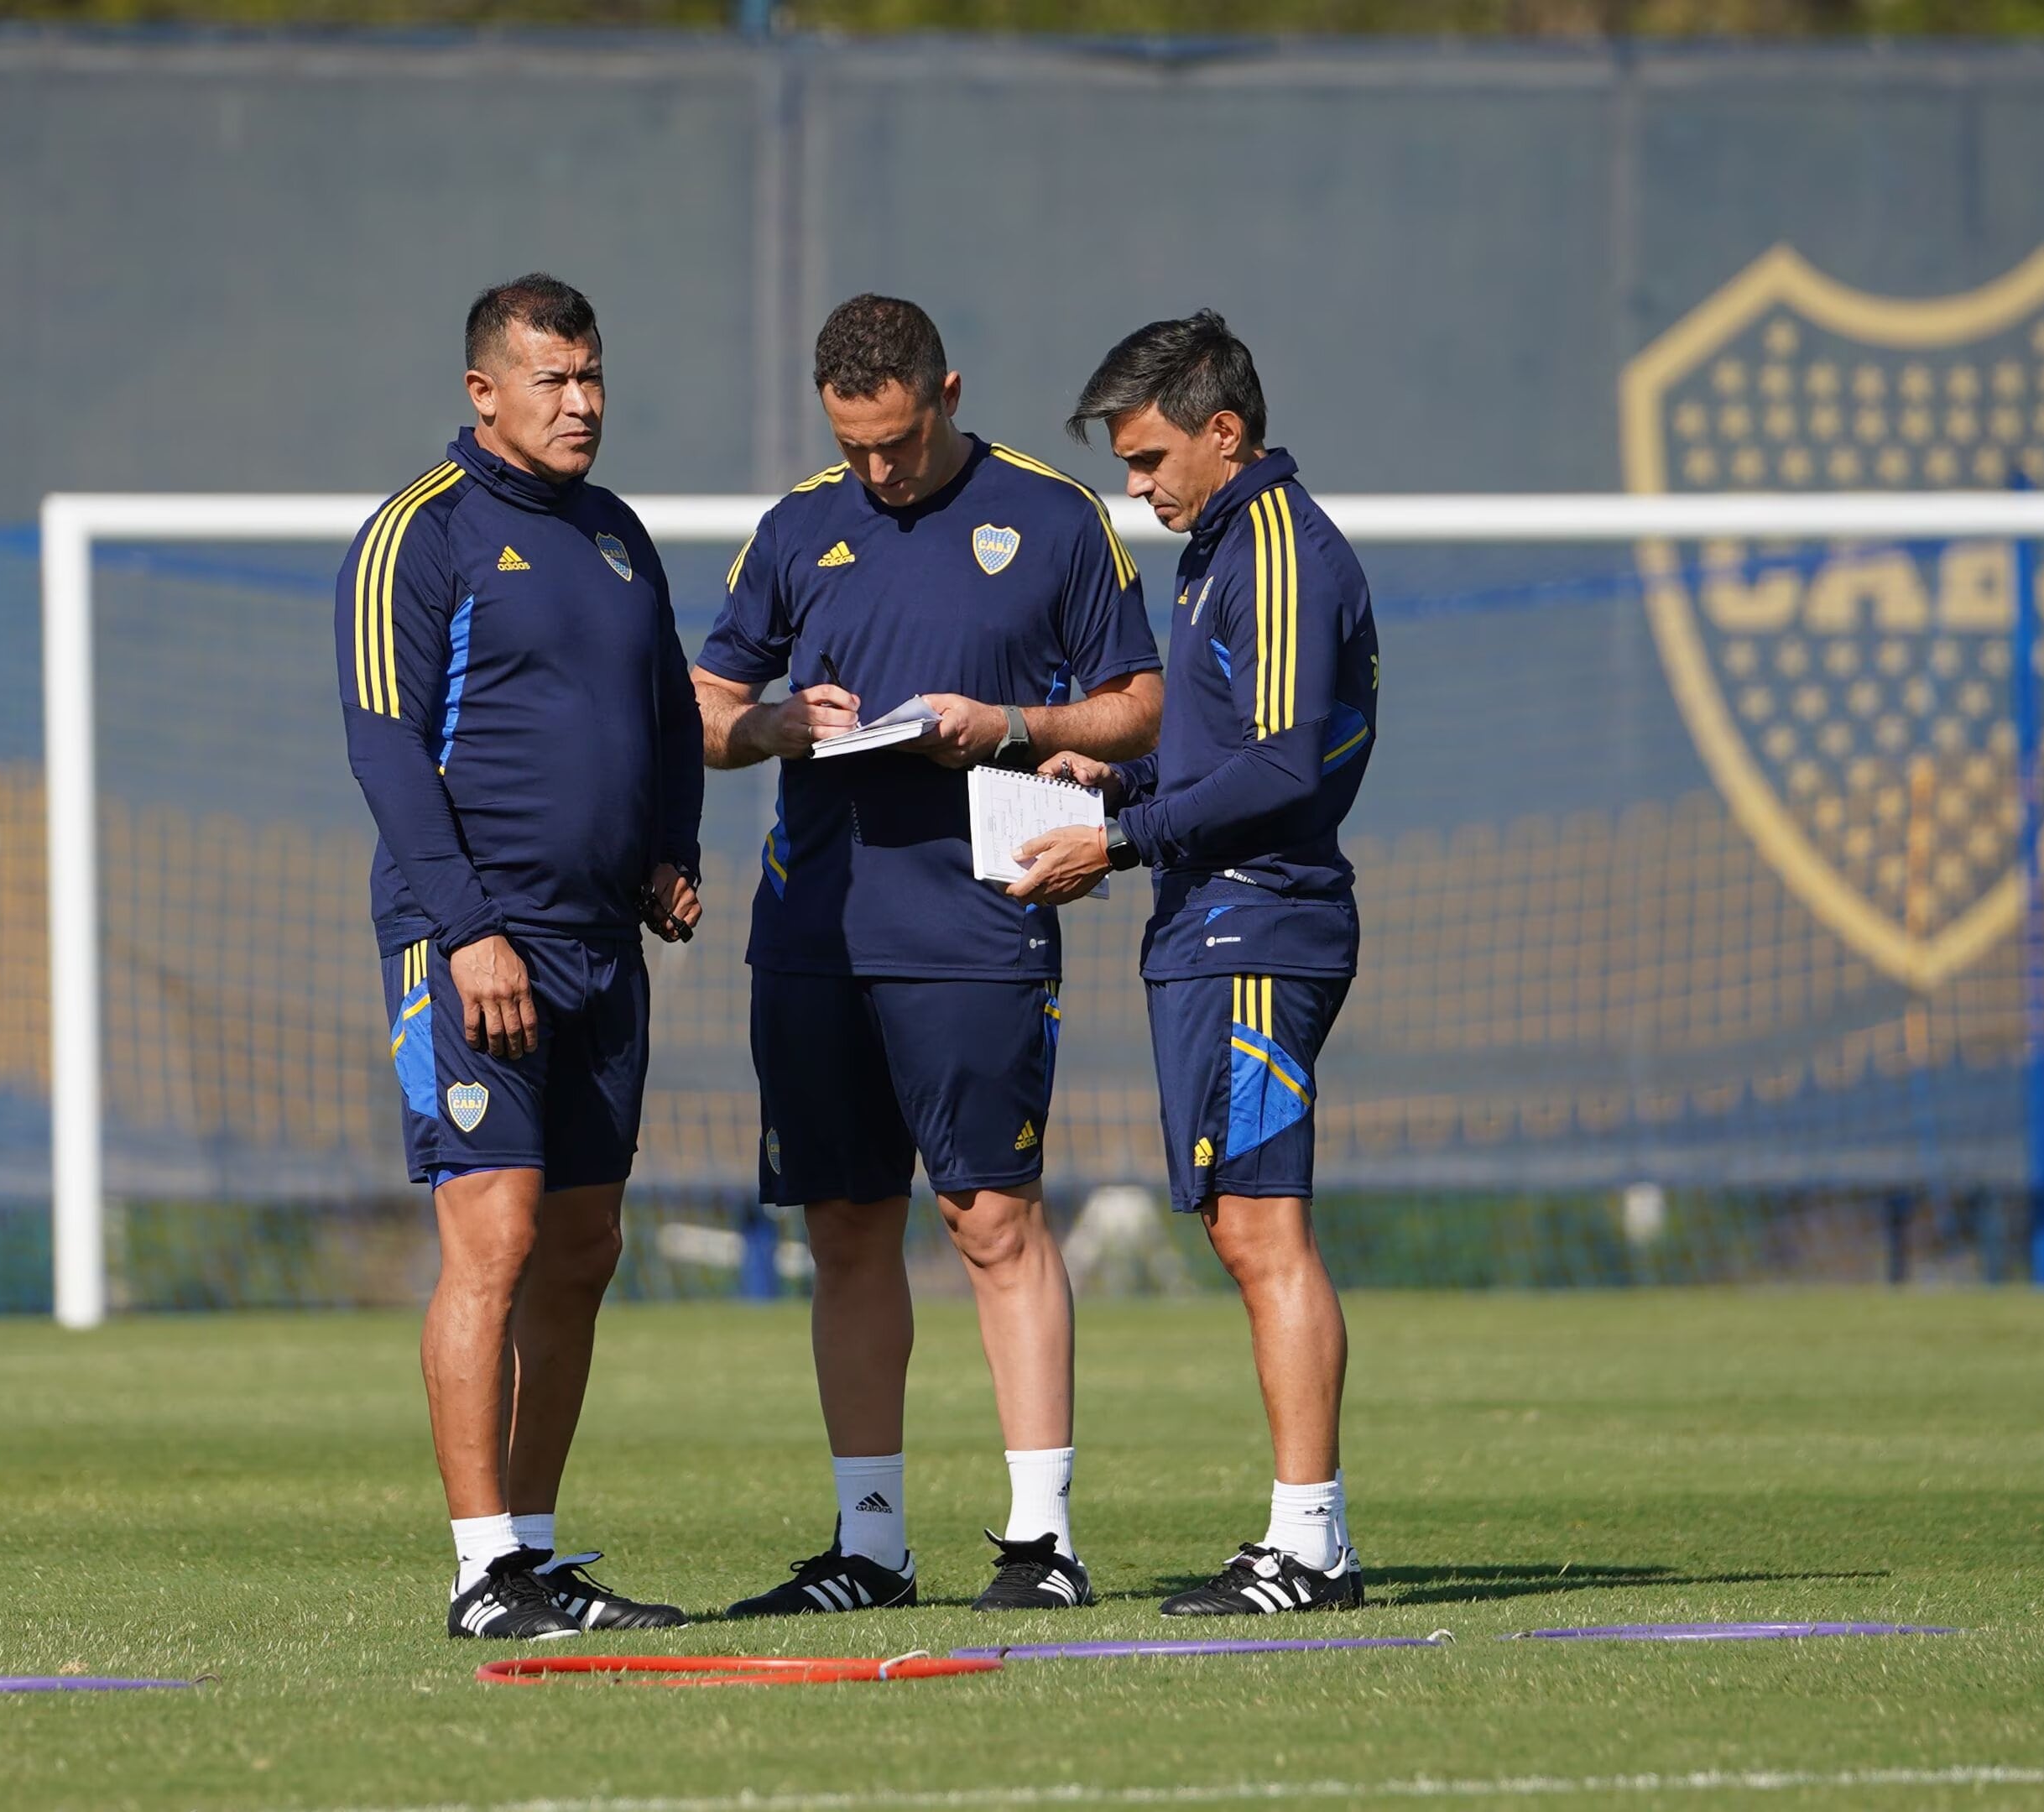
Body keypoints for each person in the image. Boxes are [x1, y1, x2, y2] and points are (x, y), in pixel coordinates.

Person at [691, 295, 1163, 1616]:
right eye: (855, 451)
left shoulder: (1058, 517)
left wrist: (1010, 720)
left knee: (989, 1217)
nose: (879, 473)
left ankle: (1042, 1541)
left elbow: (1141, 705)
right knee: (846, 1227)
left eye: (897, 444)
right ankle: (870, 1547)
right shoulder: (796, 526)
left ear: (946, 391)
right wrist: (776, 726)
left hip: (976, 922)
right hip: (813, 935)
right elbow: (707, 705)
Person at [333, 274, 705, 1642]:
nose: (583, 402)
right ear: (484, 391)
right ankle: (482, 1570)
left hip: (605, 946)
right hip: (473, 944)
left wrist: (675, 847)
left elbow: (668, 714)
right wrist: (468, 926)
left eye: (593, 375)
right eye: (553, 380)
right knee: (490, 1236)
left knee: (585, 1244)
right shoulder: (415, 538)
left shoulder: (616, 535)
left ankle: (541, 1555)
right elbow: (383, 746)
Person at [1014, 310, 1379, 1616]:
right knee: (1241, 1226)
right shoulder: (1217, 553)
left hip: (1258, 931)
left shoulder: (1276, 551)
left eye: (1153, 457)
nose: (1140, 485)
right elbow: (1229, 743)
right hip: (1216, 926)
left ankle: (1310, 1544)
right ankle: (1302, 1535)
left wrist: (1116, 837)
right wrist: (1117, 771)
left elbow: (1282, 768)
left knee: (1266, 1228)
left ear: (1226, 434)